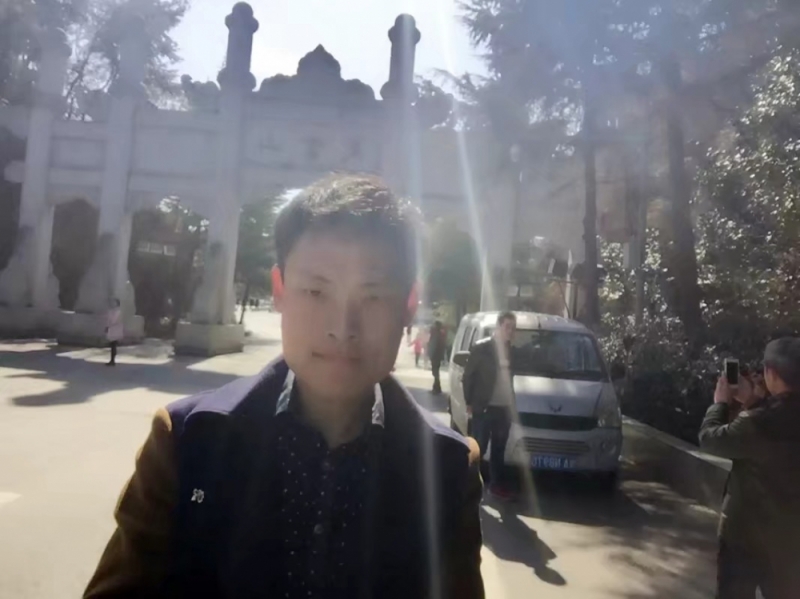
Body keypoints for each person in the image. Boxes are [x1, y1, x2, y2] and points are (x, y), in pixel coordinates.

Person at [83, 174, 484, 599]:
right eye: (316, 292)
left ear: (408, 306)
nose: (342, 328)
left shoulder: (448, 468)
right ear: (280, 290)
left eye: (373, 297)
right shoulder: (188, 440)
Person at [699, 338, 800, 599]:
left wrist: (720, 403)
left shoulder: (758, 422)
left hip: (744, 538)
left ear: (771, 373)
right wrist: (754, 400)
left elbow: (710, 439)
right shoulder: (768, 414)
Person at [463, 311, 517, 500]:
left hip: (504, 409)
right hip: (484, 407)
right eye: (507, 327)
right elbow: (468, 376)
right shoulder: (482, 348)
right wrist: (469, 401)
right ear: (498, 326)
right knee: (479, 448)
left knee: (499, 450)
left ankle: (495, 486)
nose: (510, 331)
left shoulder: (512, 351)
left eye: (513, 328)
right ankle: (468, 485)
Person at [428, 320, 447, 394]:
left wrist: (431, 355)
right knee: (436, 372)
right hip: (437, 356)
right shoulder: (440, 334)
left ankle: (436, 387)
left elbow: (433, 346)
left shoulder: (436, 335)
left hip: (435, 356)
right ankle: (436, 387)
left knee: (435, 372)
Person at [105, 299, 123, 367]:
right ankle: (112, 360)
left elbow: (113, 320)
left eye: (114, 303)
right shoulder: (113, 311)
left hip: (115, 329)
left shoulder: (117, 311)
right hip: (112, 329)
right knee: (112, 345)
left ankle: (112, 360)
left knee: (113, 345)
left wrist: (109, 325)